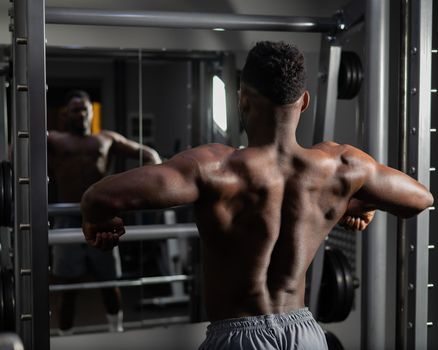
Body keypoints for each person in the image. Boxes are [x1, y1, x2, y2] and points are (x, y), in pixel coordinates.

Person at [80, 42, 434, 349]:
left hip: (238, 338)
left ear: (242, 99)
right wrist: (355, 200)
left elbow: (98, 197)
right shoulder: (341, 167)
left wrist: (101, 220)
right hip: (306, 335)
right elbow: (420, 199)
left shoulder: (213, 167)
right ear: (305, 102)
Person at [48, 90, 161, 334]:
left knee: (109, 284)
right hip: (67, 219)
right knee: (67, 289)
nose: (79, 113)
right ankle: (64, 338)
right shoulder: (55, 139)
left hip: (100, 216)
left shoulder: (106, 139)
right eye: (74, 109)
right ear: (66, 114)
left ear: (91, 112)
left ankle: (116, 332)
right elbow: (19, 146)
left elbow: (149, 155)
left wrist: (144, 191)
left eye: (83, 109)